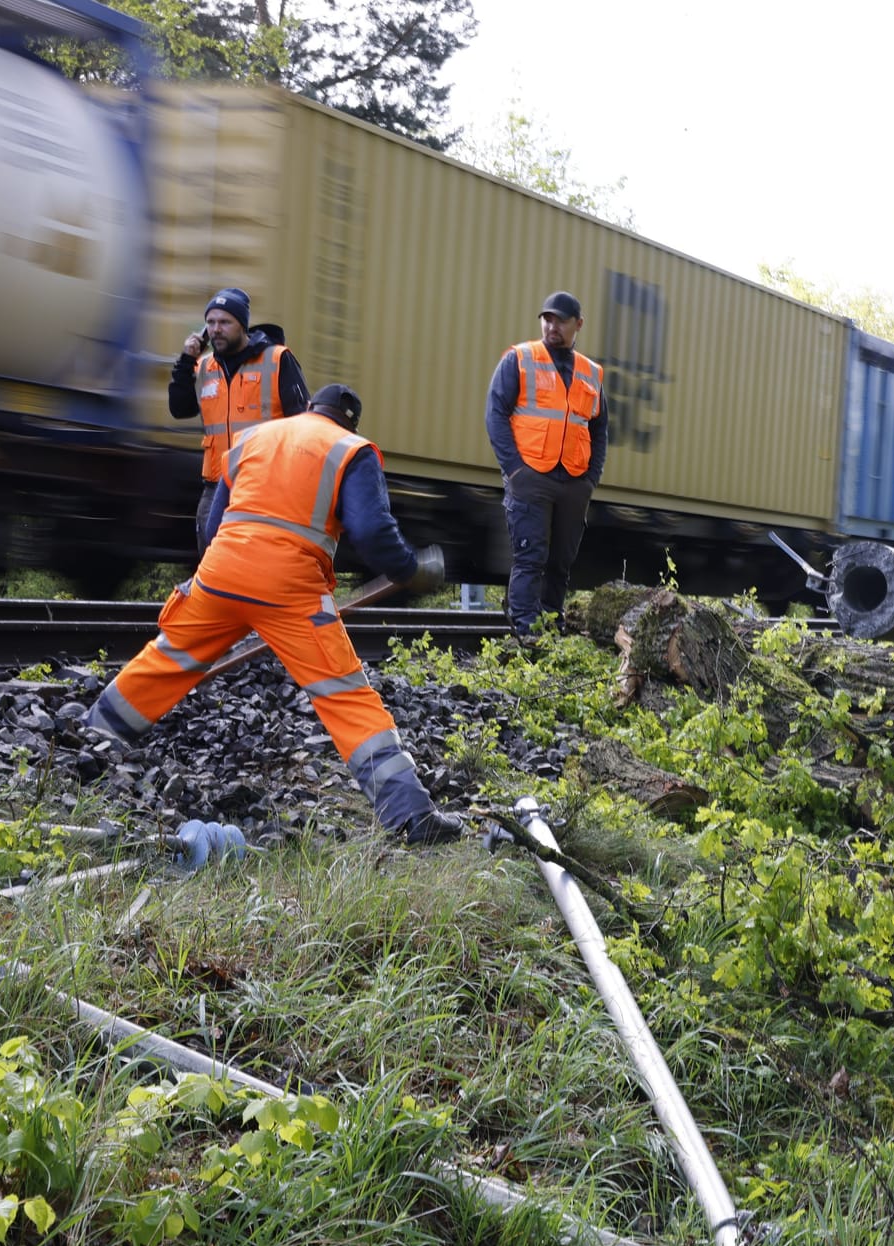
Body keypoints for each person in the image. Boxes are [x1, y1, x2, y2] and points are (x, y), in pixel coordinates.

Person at [83, 384, 464, 845]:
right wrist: (409, 568)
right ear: (349, 422)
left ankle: (90, 744)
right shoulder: (351, 450)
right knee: (343, 695)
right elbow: (371, 530)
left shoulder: (255, 438)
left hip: (220, 571)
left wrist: (219, 576)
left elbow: (213, 522)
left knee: (170, 656)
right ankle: (410, 815)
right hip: (289, 588)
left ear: (309, 409)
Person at [485, 290, 610, 639]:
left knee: (560, 564)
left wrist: (590, 479)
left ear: (578, 325)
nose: (552, 326)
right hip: (531, 478)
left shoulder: (591, 373)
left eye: (560, 320)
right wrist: (515, 470)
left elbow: (600, 430)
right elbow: (495, 415)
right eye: (547, 318)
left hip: (573, 482)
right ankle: (526, 633)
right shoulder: (520, 359)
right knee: (530, 558)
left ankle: (552, 628)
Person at [170, 287, 310, 556]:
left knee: (255, 563)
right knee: (211, 562)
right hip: (215, 486)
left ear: (243, 326)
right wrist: (186, 361)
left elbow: (304, 424)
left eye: (224, 322)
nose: (215, 329)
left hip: (264, 487)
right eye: (210, 323)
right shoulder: (203, 368)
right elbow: (179, 408)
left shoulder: (277, 359)